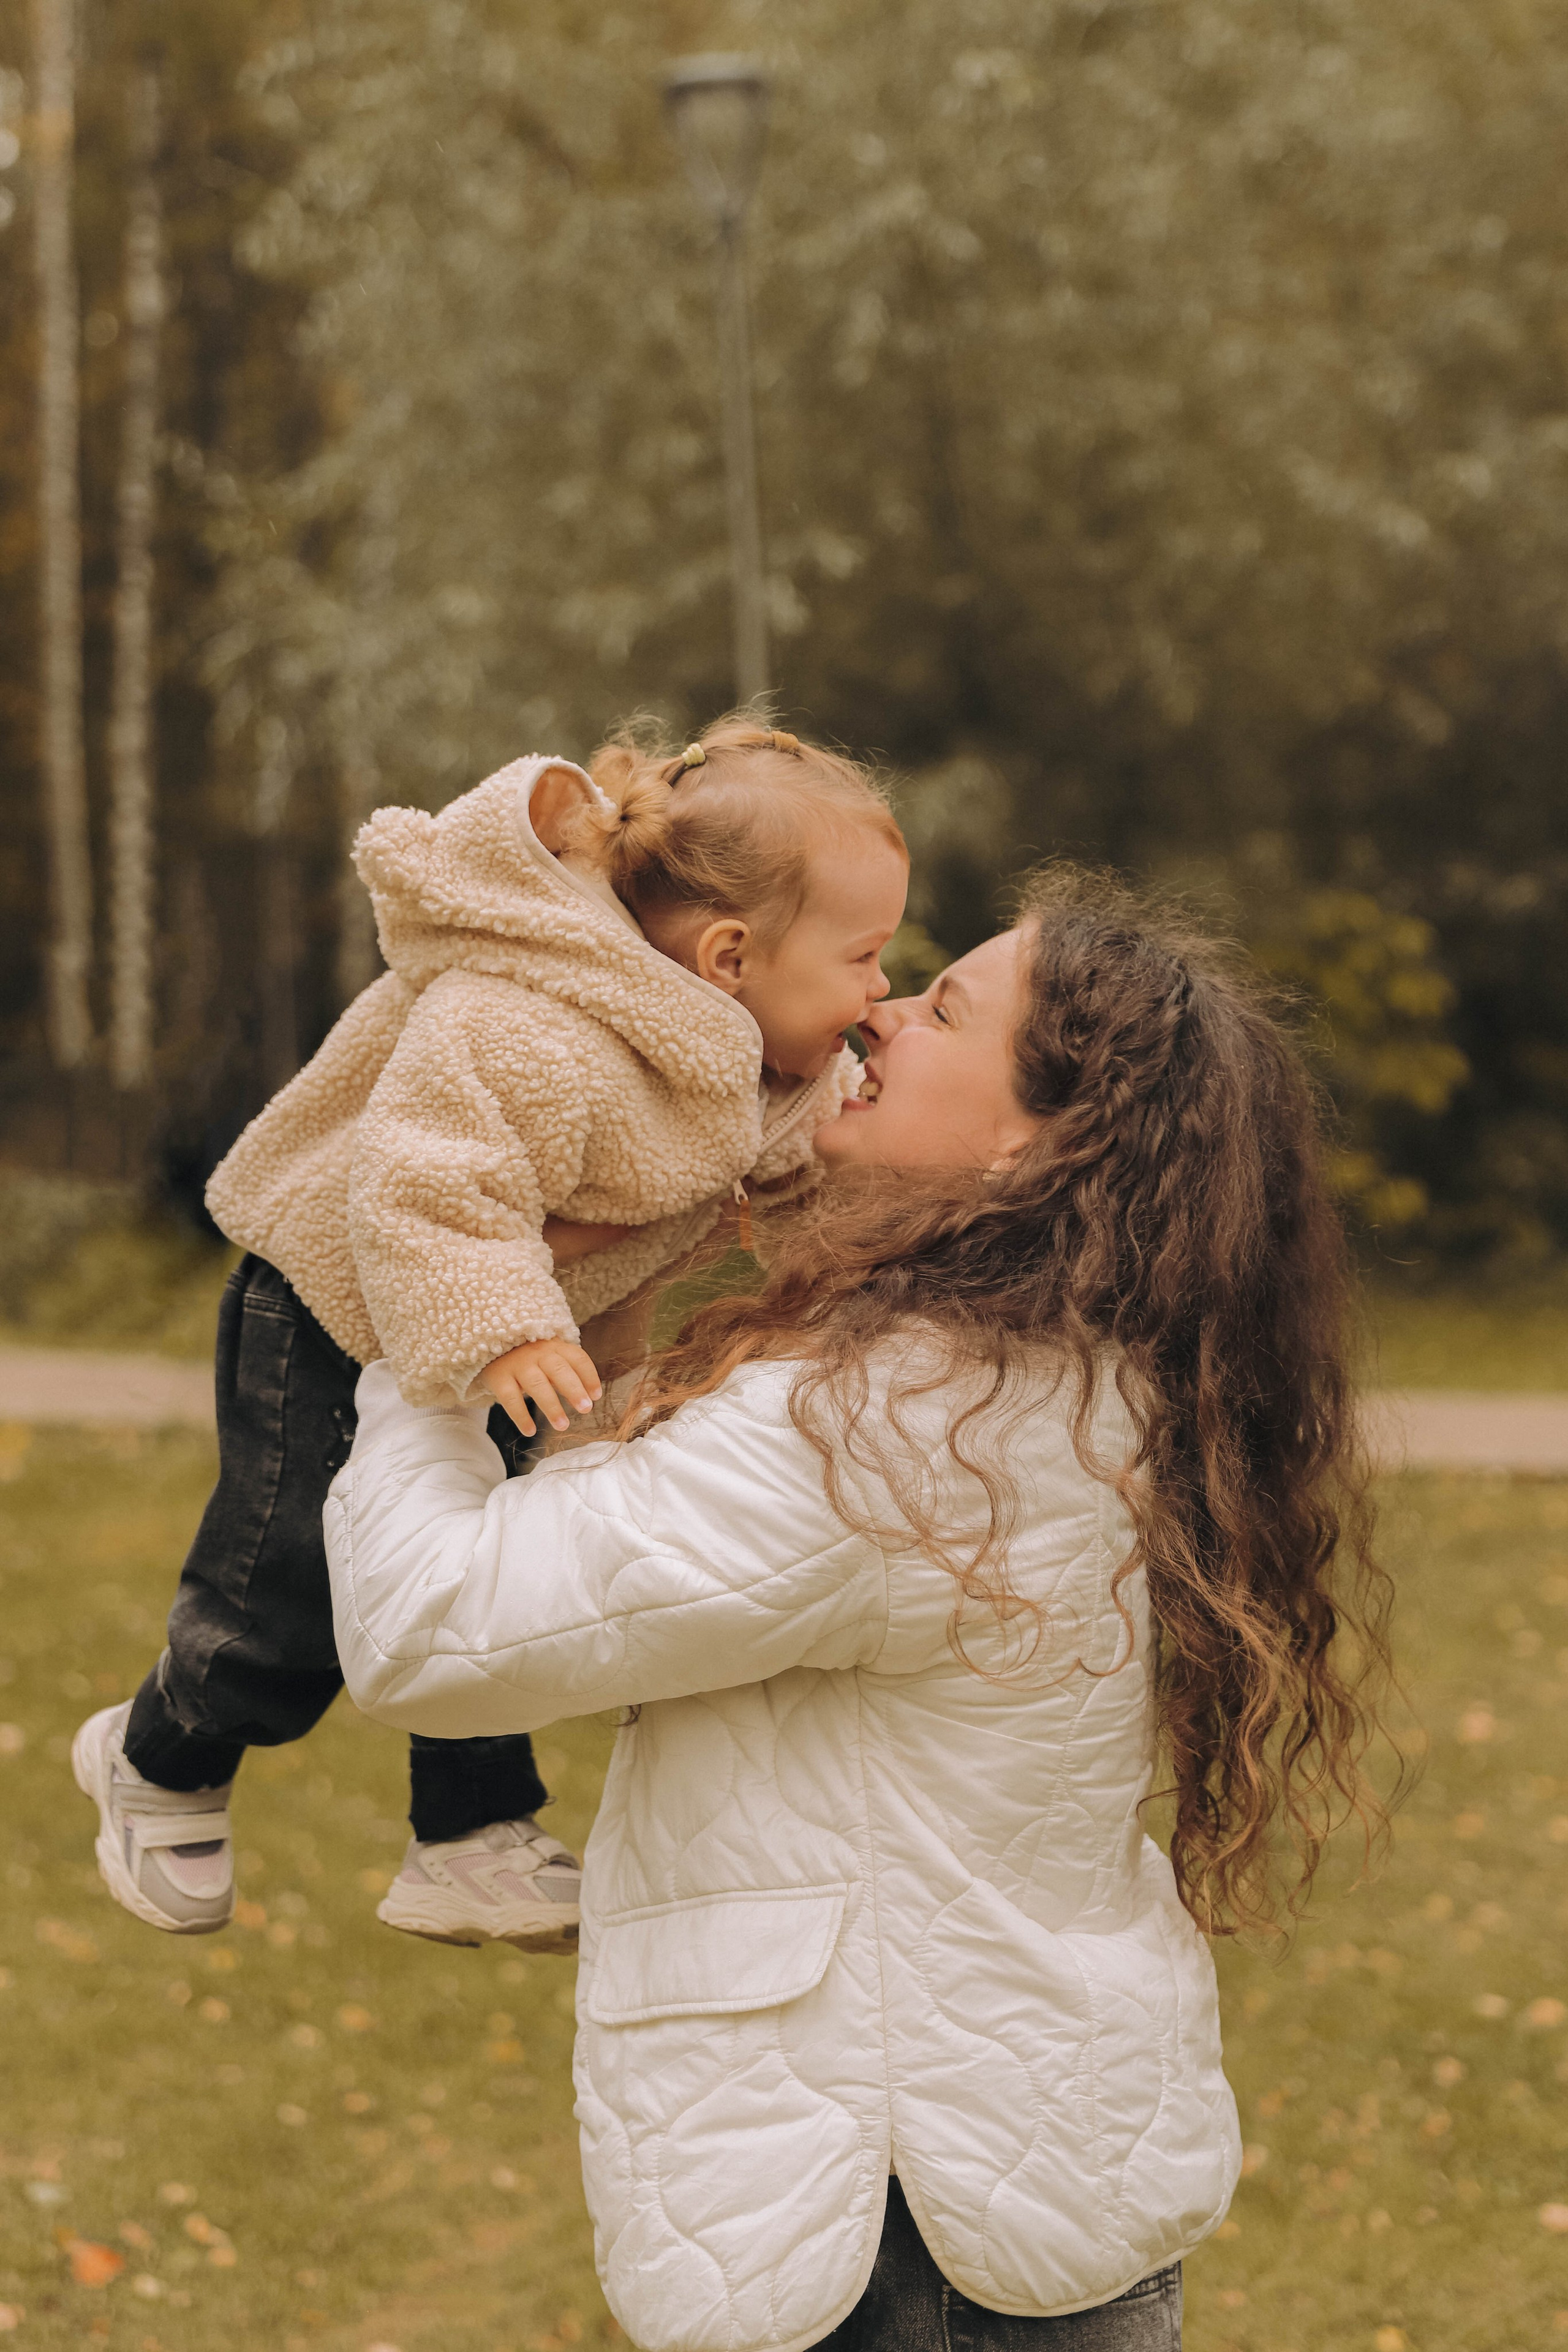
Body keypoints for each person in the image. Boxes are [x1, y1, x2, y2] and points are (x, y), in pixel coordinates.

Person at [323, 869, 1393, 2352]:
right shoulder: (1060, 1373)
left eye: (942, 1005)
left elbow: (430, 1626)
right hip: (987, 2182)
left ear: (1036, 1138)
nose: (878, 1012)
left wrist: (421, 1328)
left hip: (886, 2227)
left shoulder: (886, 1437)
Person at [72, 718, 908, 1950]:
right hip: (333, 1304)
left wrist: (854, 1296)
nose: (879, 993)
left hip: (523, 1333)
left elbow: (805, 1206)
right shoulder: (530, 1018)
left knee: (487, 1572)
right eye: (867, 959)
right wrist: (504, 1328)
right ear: (731, 956)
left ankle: (465, 1840)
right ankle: (158, 1752)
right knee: (290, 1600)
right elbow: (421, 1187)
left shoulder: (772, 1077)